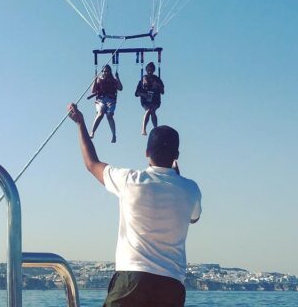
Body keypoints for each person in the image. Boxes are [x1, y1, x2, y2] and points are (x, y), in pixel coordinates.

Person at [67, 103, 201, 307]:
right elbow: (194, 217)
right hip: (171, 286)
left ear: (147, 152)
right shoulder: (191, 189)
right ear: (177, 156)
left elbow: (91, 163)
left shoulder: (131, 180)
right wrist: (178, 179)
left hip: (132, 279)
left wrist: (80, 123)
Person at [89, 64, 123, 143]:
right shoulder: (99, 79)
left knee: (109, 115)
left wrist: (117, 77)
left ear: (110, 72)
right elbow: (93, 91)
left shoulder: (113, 80)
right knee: (100, 114)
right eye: (104, 71)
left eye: (107, 71)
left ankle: (114, 135)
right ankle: (92, 132)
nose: (106, 73)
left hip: (111, 100)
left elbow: (120, 88)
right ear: (102, 72)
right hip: (100, 100)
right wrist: (95, 79)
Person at [134, 62, 165, 135]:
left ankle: (155, 128)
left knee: (153, 111)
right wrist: (144, 94)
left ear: (153, 70)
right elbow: (136, 93)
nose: (150, 72)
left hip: (155, 100)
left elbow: (162, 92)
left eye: (151, 70)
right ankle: (143, 129)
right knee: (148, 110)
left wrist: (158, 85)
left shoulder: (157, 79)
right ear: (146, 70)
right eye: (148, 70)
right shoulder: (142, 80)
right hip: (145, 101)